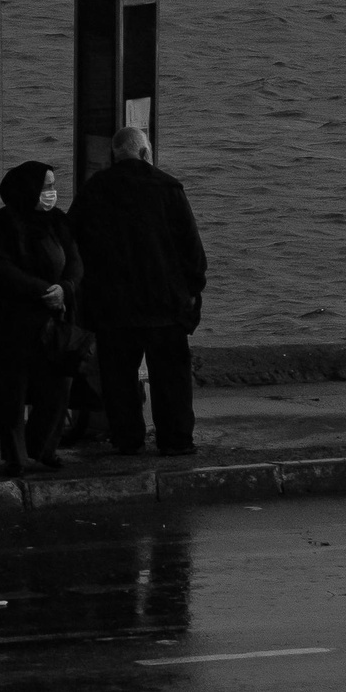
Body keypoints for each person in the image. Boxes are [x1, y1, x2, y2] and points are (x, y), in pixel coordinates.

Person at [72, 126, 206, 457]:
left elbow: (73, 239)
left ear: (114, 155)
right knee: (170, 376)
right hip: (164, 303)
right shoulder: (168, 187)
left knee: (118, 378)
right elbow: (191, 248)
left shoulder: (95, 189)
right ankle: (175, 440)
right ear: (145, 153)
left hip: (113, 305)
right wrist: (192, 290)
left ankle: (127, 438)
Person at [0, 160, 82, 477]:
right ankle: (16, 456)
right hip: (12, 318)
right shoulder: (3, 223)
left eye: (53, 186)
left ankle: (44, 448)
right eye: (46, 186)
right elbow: (4, 268)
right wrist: (43, 290)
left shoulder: (58, 221)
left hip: (55, 316)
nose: (52, 192)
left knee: (58, 385)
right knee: (13, 389)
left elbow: (76, 262)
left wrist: (65, 288)